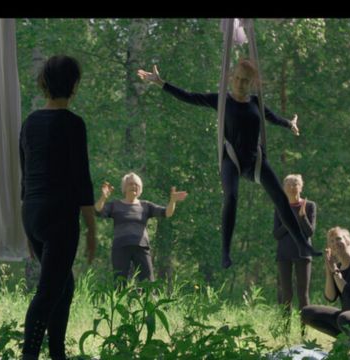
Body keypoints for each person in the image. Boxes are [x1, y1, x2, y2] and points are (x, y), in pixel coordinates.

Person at [137, 60, 321, 269]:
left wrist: (290, 124)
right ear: (232, 78)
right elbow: (189, 97)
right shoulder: (222, 101)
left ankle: (301, 244)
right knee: (231, 197)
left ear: (251, 83)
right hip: (231, 159)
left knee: (280, 196)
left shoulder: (256, 103)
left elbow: (273, 118)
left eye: (245, 81)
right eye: (238, 79)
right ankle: (225, 252)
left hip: (255, 161)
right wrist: (161, 83)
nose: (241, 84)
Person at [19, 55, 97, 360]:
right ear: (74, 85)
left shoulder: (30, 123)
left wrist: (28, 230)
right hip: (60, 219)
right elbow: (82, 179)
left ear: (44, 83)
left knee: (63, 286)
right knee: (48, 293)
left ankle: (57, 354)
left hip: (33, 215)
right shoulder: (74, 124)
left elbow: (25, 175)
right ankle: (30, 355)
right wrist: (91, 229)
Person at [94, 172, 187, 282]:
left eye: (136, 185)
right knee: (119, 281)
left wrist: (173, 201)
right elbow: (97, 210)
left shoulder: (146, 205)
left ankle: (148, 299)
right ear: (124, 188)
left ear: (140, 189)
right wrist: (103, 197)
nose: (134, 186)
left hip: (141, 246)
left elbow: (167, 213)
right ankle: (119, 299)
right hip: (121, 247)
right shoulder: (115, 205)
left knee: (148, 281)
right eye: (130, 184)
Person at [273, 174, 316, 330]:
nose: (292, 187)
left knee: (303, 295)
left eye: (295, 183)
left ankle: (304, 332)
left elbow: (309, 232)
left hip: (303, 254)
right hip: (284, 255)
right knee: (286, 294)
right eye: (289, 184)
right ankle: (285, 331)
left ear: (301, 186)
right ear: (284, 188)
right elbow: (276, 234)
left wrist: (302, 217)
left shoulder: (309, 205)